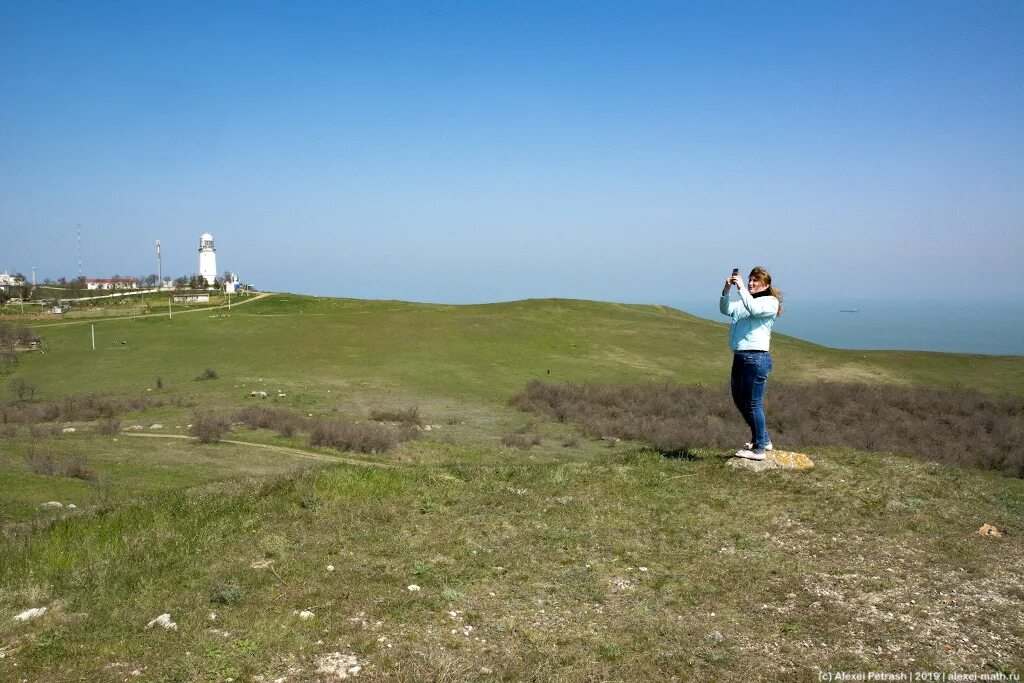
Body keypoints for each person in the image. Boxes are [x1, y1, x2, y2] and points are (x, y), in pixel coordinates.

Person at [720, 267, 783, 460]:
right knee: (740, 401)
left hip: (756, 358)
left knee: (753, 403)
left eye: (756, 280)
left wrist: (741, 289)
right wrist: (725, 290)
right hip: (740, 356)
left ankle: (758, 449)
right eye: (749, 280)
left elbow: (754, 310)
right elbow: (726, 309)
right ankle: (763, 440)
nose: (751, 283)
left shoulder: (770, 302)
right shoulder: (743, 301)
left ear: (766, 285)